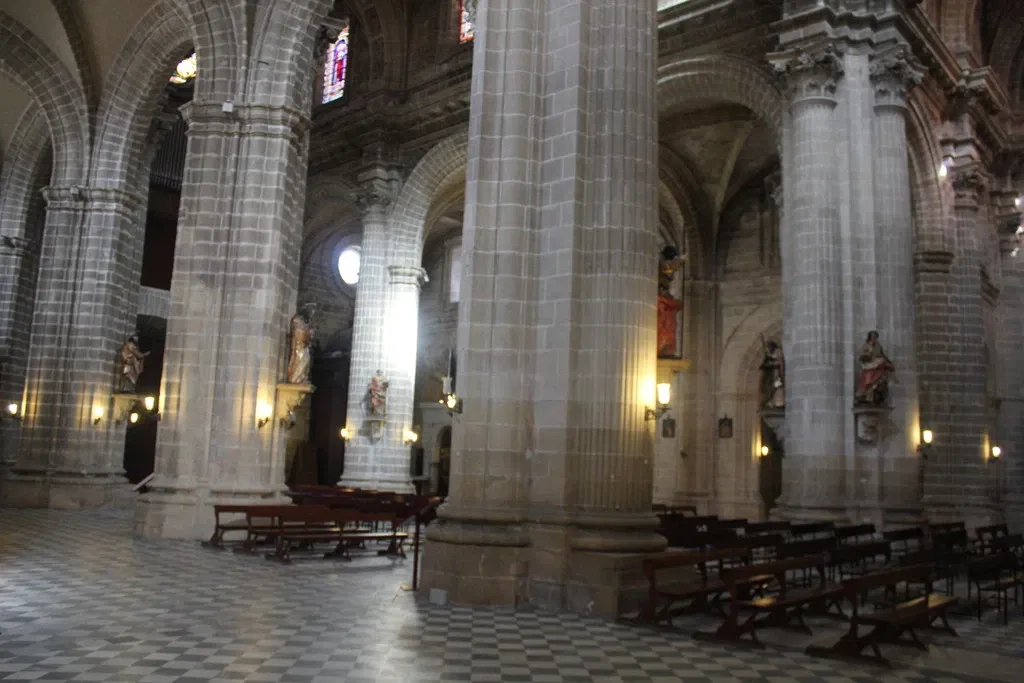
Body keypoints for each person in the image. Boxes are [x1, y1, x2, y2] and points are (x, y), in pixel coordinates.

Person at [856, 330, 895, 405]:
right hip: (869, 367)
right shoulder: (865, 346)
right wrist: (868, 354)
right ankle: (866, 397)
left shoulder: (878, 346)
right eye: (872, 337)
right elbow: (862, 357)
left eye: (875, 337)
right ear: (869, 337)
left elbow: (883, 355)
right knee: (868, 382)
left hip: (878, 367)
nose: (874, 338)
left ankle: (876, 398)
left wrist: (889, 362)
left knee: (880, 380)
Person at [760, 337, 785, 409]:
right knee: (770, 388)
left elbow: (779, 362)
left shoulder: (778, 352)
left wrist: (770, 361)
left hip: (778, 375)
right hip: (774, 375)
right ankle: (771, 401)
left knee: (775, 388)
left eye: (769, 347)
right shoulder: (773, 353)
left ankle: (774, 402)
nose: (769, 349)